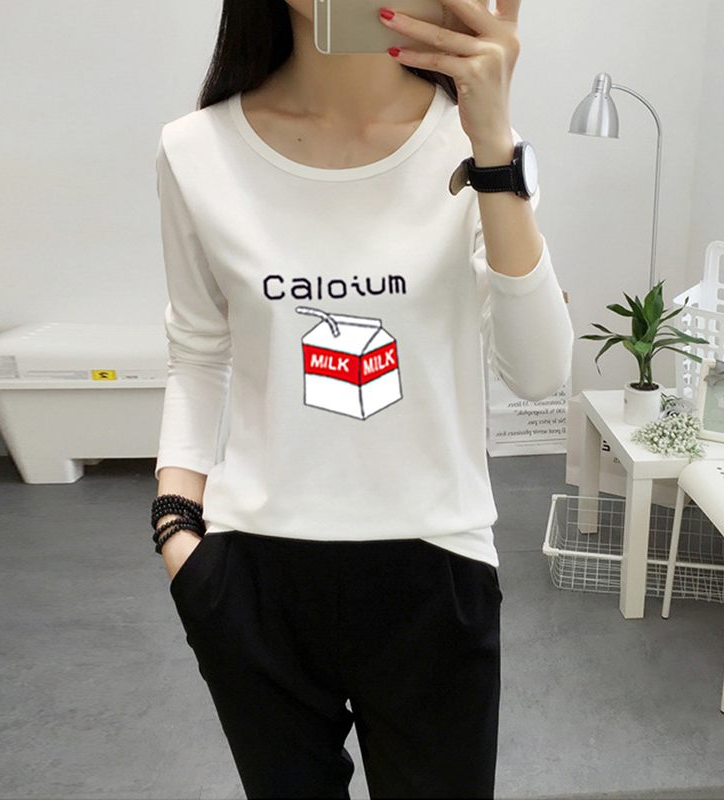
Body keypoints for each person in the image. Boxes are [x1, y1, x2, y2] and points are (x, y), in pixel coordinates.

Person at [151, 0, 574, 796]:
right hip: (252, 575)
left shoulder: (476, 144)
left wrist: (493, 144)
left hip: (436, 567)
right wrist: (177, 530)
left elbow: (539, 372)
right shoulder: (196, 149)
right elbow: (199, 353)